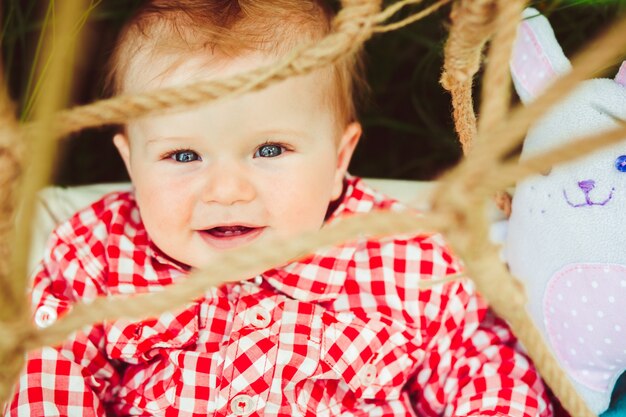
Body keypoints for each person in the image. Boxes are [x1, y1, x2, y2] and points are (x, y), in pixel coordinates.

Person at [6, 1, 552, 416]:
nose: (225, 191)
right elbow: (52, 373)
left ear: (340, 159)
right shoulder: (99, 254)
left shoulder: (404, 254)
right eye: (182, 155)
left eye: (270, 150)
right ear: (131, 163)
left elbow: (481, 366)